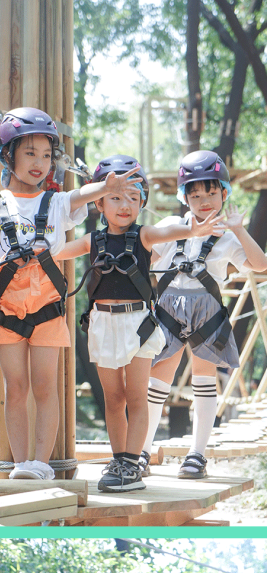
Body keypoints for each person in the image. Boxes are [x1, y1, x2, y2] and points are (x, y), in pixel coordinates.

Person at [0, 108, 124, 480]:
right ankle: (20, 465)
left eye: (46, 155)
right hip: (7, 308)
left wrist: (107, 188)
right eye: (29, 153)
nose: (40, 163)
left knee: (46, 386)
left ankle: (42, 464)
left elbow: (81, 193)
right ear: (7, 154)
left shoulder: (57, 203)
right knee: (15, 388)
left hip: (47, 307)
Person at [66, 156, 225, 492]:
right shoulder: (92, 241)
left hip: (138, 324)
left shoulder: (145, 235)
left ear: (143, 203)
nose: (125, 205)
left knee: (136, 395)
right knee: (113, 398)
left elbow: (171, 230)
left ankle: (130, 464)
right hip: (102, 326)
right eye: (116, 197)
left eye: (134, 198)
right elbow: (55, 253)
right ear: (99, 202)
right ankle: (119, 458)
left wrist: (194, 229)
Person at [141, 149, 267, 478]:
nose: (204, 200)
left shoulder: (226, 238)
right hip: (168, 306)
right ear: (185, 198)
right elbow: (145, 250)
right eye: (195, 194)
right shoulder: (171, 226)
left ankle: (197, 454)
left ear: (224, 193)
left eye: (211, 192)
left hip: (206, 310)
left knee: (203, 381)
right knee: (158, 380)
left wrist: (239, 229)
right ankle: (142, 451)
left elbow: (261, 264)